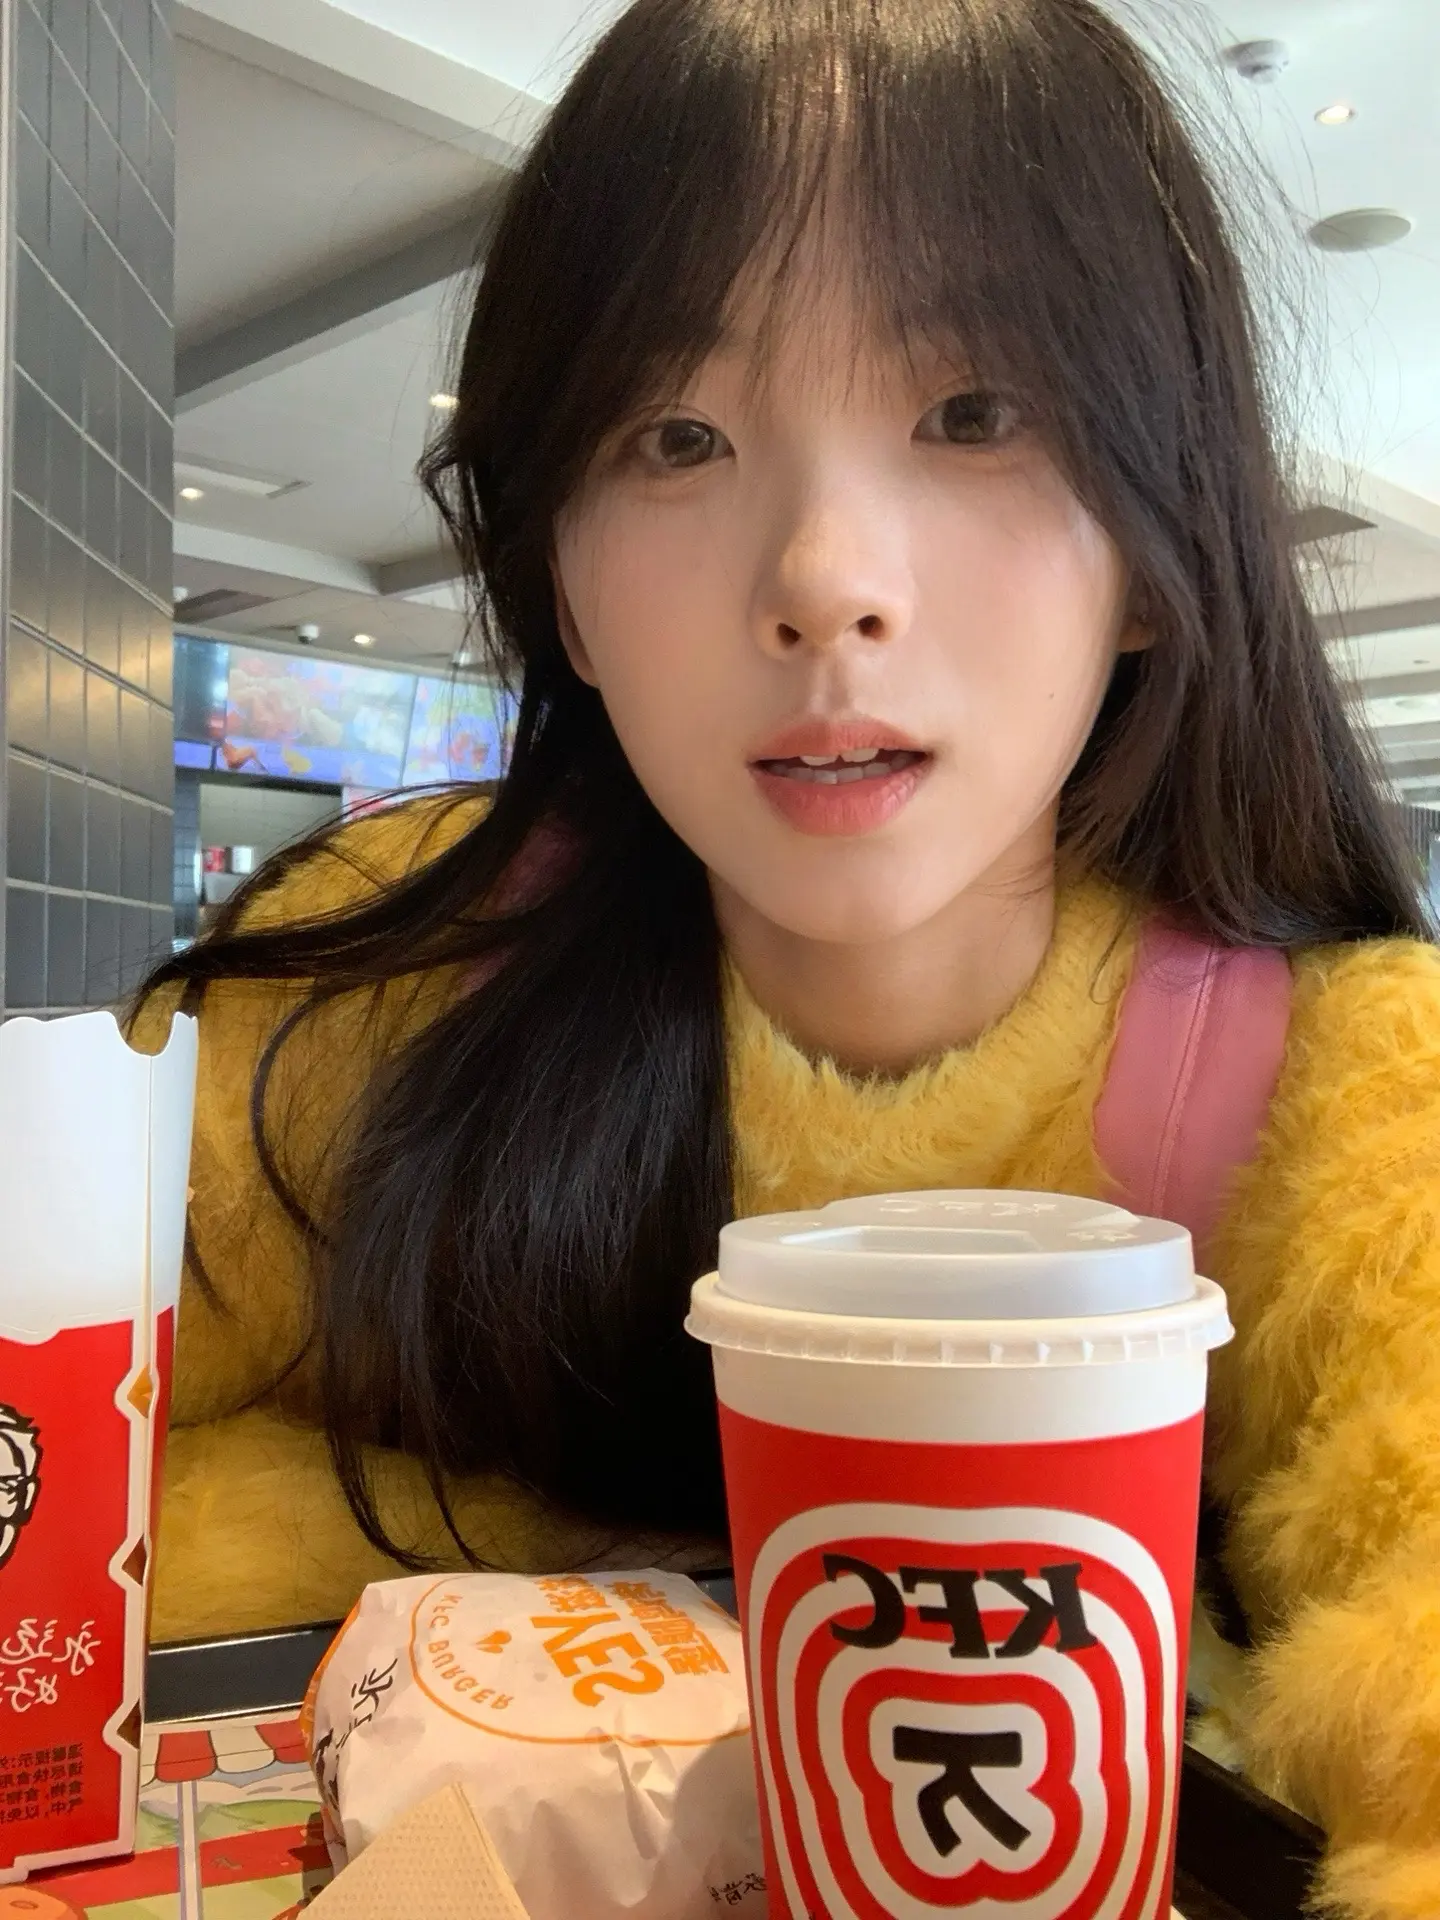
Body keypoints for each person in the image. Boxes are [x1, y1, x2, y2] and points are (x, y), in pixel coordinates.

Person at [132, 0, 1440, 1910]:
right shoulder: (374, 990)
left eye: (974, 414)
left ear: (1160, 539)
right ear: (564, 584)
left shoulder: (1331, 1092)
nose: (826, 580)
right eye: (678, 436)